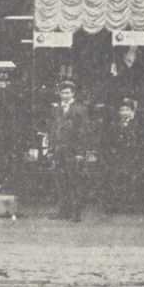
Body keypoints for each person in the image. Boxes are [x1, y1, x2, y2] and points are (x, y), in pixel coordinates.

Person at [46, 79, 91, 220]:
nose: (64, 95)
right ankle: (63, 211)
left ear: (73, 94)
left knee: (75, 180)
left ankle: (76, 212)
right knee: (61, 181)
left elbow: (83, 132)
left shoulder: (80, 109)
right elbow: (53, 130)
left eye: (67, 93)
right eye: (62, 93)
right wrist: (51, 149)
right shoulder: (57, 109)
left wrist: (80, 152)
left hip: (72, 150)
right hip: (59, 149)